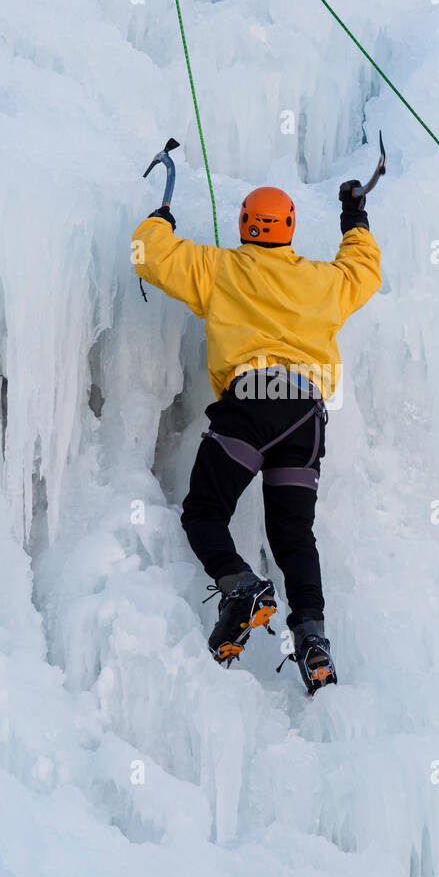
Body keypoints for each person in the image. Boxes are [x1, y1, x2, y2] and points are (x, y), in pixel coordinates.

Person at [132, 177, 381, 693]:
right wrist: (353, 215)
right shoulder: (321, 281)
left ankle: (240, 586)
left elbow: (149, 256)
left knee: (204, 511)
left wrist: (160, 217)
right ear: (289, 229)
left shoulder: (218, 269)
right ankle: (312, 635)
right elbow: (364, 270)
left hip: (251, 404)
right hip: (305, 417)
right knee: (293, 535)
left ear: (245, 225)